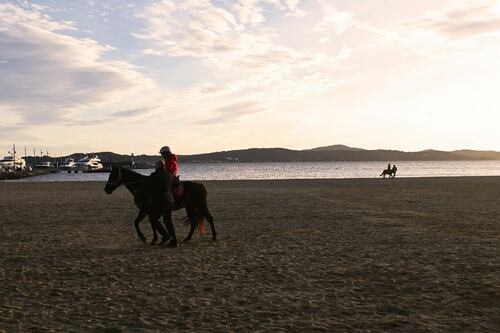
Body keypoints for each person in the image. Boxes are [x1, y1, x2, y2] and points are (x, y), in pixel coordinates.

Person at [151, 146, 178, 247]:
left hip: (163, 199)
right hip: (170, 198)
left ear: (166, 153)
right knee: (168, 221)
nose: (162, 156)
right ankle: (173, 241)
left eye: (162, 154)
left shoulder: (170, 162)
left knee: (154, 219)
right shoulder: (169, 163)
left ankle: (166, 236)